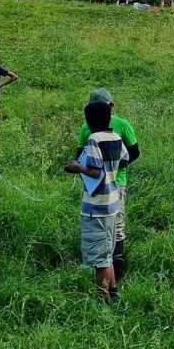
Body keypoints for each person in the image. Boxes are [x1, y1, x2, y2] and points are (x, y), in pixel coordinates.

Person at [65, 100, 130, 301]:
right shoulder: (116, 137)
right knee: (107, 252)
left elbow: (93, 171)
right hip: (112, 202)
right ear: (110, 117)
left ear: (89, 121)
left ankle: (102, 301)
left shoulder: (94, 139)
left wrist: (77, 168)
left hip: (97, 207)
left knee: (100, 259)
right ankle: (113, 293)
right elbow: (125, 160)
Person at [76, 88, 140, 284]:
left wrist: (111, 168)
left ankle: (115, 267)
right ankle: (111, 276)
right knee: (111, 225)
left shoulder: (121, 125)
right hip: (98, 187)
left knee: (116, 225)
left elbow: (134, 152)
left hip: (113, 184)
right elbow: (81, 153)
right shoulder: (89, 130)